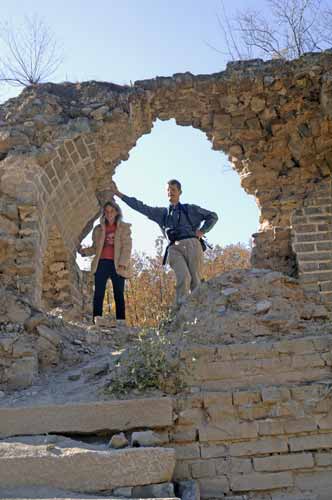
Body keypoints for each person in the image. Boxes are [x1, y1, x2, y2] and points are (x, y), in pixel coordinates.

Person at [110, 179, 218, 306]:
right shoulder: (162, 213)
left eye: (173, 190)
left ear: (180, 192)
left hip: (192, 244)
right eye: (168, 190)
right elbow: (141, 207)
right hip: (174, 248)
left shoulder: (190, 209)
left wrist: (202, 231)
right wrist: (118, 194)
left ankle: (198, 310)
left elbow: (213, 216)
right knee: (184, 277)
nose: (170, 192)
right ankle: (180, 310)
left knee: (195, 280)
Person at [78, 201, 132, 324]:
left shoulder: (124, 228)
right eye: (106, 211)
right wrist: (84, 252)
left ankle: (121, 321)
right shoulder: (98, 229)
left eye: (112, 211)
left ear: (117, 212)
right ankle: (96, 320)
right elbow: (95, 248)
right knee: (99, 293)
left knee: (118, 293)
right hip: (101, 263)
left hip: (117, 264)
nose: (109, 214)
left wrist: (123, 262)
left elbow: (127, 247)